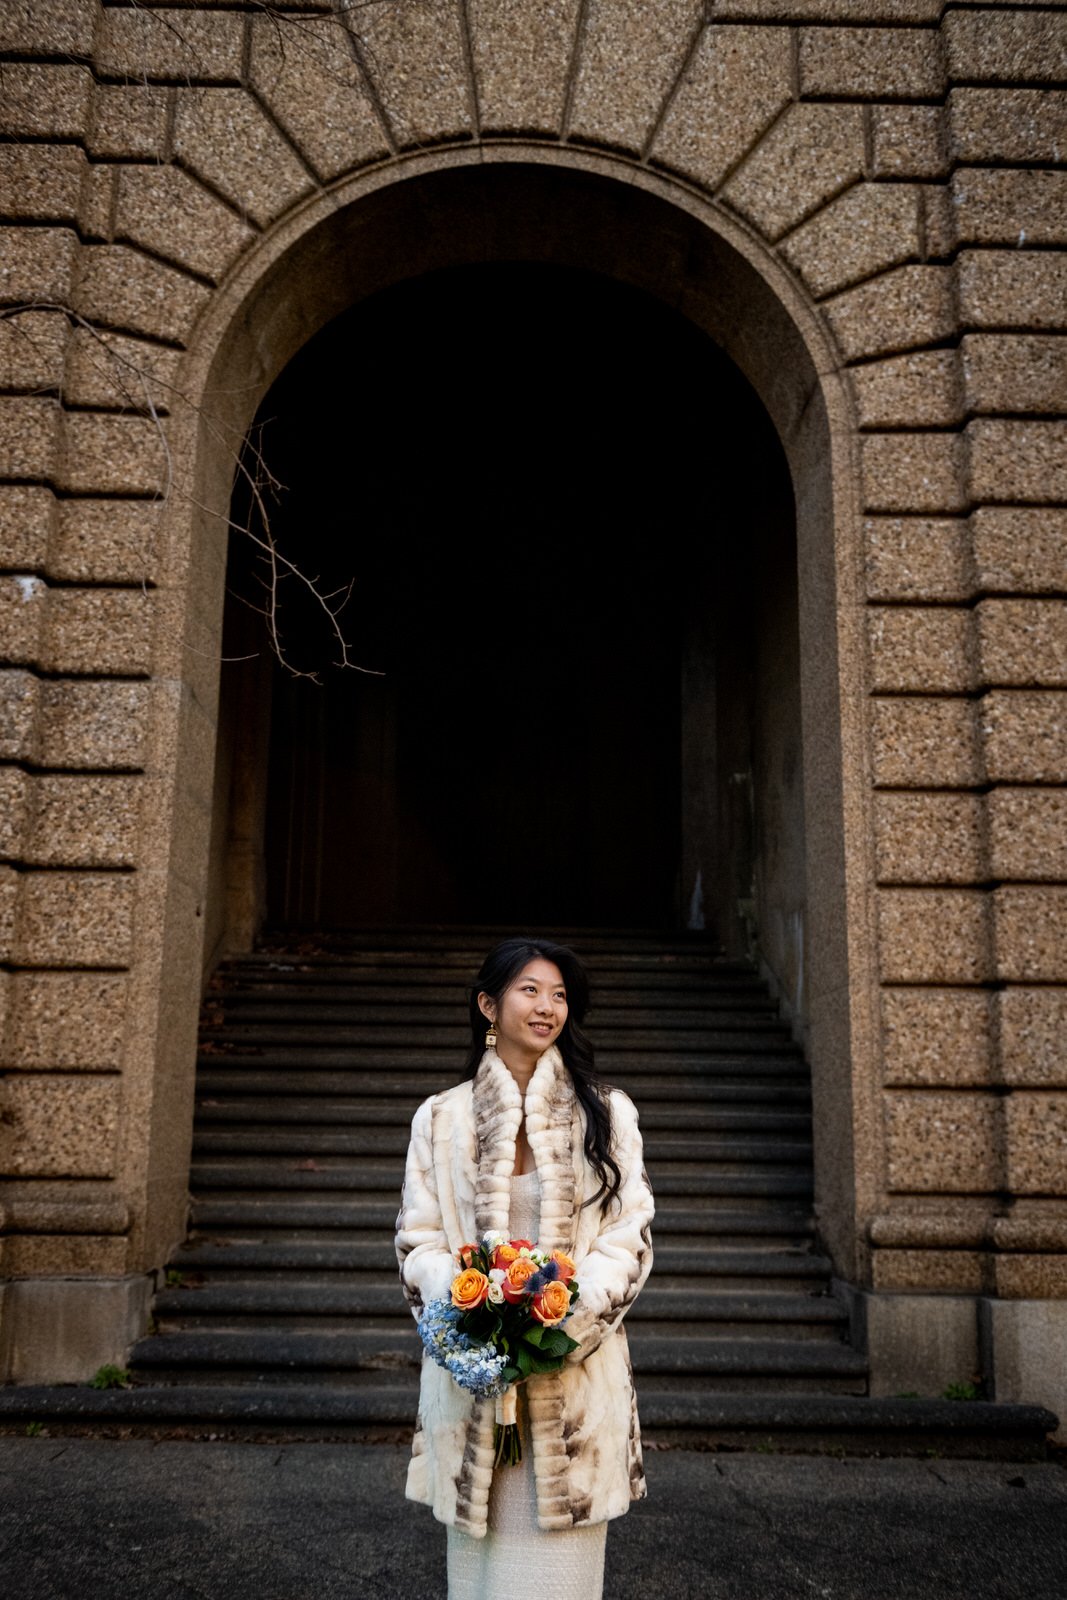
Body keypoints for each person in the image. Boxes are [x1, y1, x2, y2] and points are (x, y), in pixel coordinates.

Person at [395, 936, 655, 1600]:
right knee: (478, 1580)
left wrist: (563, 1314)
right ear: (488, 1004)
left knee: (553, 1578)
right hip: (472, 1390)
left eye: (560, 995)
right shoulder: (439, 1118)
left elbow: (629, 1236)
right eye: (530, 991)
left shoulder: (607, 1111)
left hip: (574, 1393)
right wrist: (468, 1313)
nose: (547, 1007)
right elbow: (417, 1242)